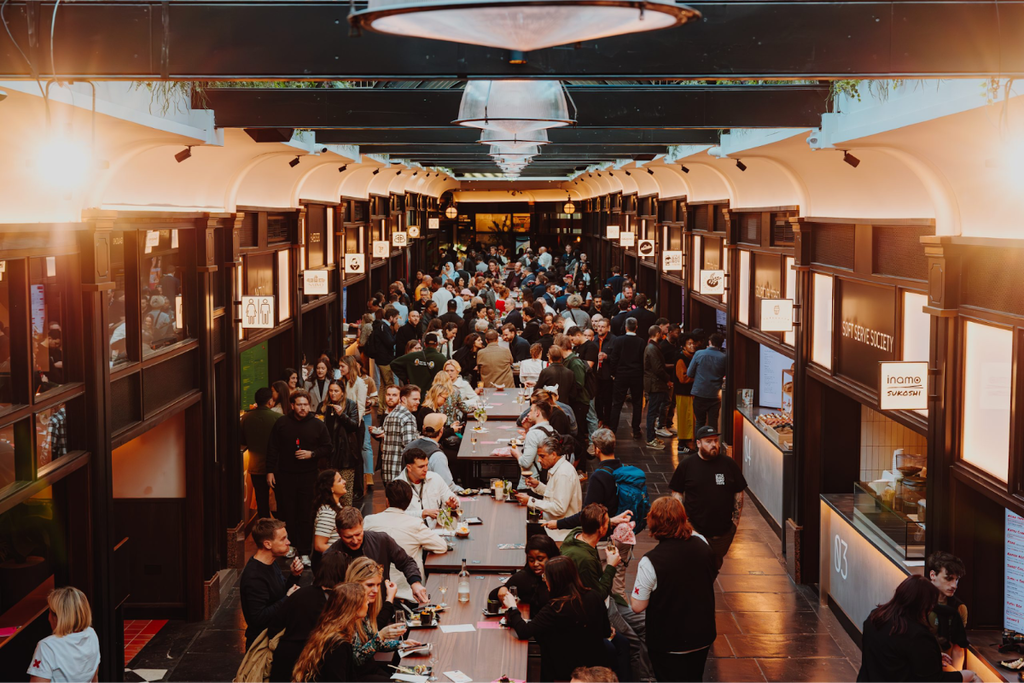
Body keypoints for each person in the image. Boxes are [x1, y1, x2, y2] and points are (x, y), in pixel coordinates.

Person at [629, 497, 717, 683]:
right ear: (683, 518)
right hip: (702, 634)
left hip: (668, 640)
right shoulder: (702, 543)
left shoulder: (650, 561)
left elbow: (637, 606)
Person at [501, 557, 614, 683]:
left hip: (564, 671)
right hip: (596, 669)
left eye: (546, 577)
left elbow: (524, 631)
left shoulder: (556, 607)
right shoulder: (594, 596)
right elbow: (606, 632)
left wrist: (512, 607)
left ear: (554, 580)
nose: (545, 580)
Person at [858, 575, 978, 683]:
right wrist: (967, 675)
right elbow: (934, 680)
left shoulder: (875, 617)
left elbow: (892, 655)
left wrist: (931, 657)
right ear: (925, 605)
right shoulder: (917, 635)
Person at [668, 425, 745, 569]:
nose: (713, 445)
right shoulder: (687, 465)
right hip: (695, 531)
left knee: (714, 566)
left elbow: (738, 491)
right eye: (708, 441)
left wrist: (735, 522)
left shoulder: (729, 464)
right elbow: (677, 492)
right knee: (696, 567)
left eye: (715, 440)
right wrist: (683, 523)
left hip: (723, 533)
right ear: (698, 443)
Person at [267, 389, 333, 555]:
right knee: (287, 512)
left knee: (306, 513)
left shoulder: (317, 424)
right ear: (292, 405)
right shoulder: (282, 423)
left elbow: (328, 447)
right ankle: (290, 545)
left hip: (309, 476)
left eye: (305, 404)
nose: (303, 408)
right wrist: (270, 471)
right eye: (299, 405)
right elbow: (272, 448)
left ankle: (304, 550)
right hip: (285, 475)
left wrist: (312, 454)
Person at [269, 553, 351, 683]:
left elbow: (274, 627)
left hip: (284, 660)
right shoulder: (337, 602)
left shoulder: (299, 594)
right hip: (311, 664)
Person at [363, 480, 448, 601]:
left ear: (387, 501)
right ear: (409, 502)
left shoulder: (369, 520)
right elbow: (441, 546)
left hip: (375, 592)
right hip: (409, 593)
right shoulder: (415, 524)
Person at [326, 507, 430, 603]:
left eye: (358, 534)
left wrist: (415, 583)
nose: (355, 540)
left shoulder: (381, 540)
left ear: (362, 525)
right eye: (348, 537)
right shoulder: (331, 556)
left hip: (381, 605)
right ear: (338, 532)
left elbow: (406, 562)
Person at [346, 557, 424, 676]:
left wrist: (402, 644)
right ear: (355, 584)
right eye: (370, 585)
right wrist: (381, 636)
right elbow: (357, 660)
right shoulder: (349, 613)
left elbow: (374, 644)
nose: (375, 590)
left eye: (378, 585)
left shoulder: (366, 608)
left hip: (371, 670)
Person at [240, 518, 304, 649]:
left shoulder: (271, 562)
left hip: (275, 637)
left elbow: (279, 593)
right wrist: (287, 599)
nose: (288, 542)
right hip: (262, 645)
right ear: (268, 544)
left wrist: (294, 576)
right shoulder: (254, 577)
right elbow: (258, 618)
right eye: (283, 539)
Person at [290, 583, 366, 683]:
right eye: (365, 601)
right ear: (355, 607)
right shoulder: (338, 644)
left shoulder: (328, 632)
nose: (368, 602)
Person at [26, 586, 100, 683]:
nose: (48, 618)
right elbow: (94, 677)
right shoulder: (91, 634)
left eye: (49, 612)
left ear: (57, 617)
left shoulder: (47, 646)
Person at [516, 436, 582, 541]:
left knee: (522, 533)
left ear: (554, 455)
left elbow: (559, 508)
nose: (539, 460)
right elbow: (555, 493)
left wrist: (530, 501)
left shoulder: (563, 474)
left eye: (542, 456)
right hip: (553, 528)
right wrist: (538, 486)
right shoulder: (559, 468)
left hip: (560, 534)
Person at [487, 534, 560, 615]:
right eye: (531, 560)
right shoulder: (523, 577)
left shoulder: (561, 575)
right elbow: (492, 597)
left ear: (551, 558)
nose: (535, 564)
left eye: (540, 559)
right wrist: (503, 589)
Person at [316, 381, 363, 499]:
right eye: (331, 390)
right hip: (328, 454)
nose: (333, 393)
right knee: (328, 492)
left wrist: (342, 414)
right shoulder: (323, 406)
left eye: (336, 391)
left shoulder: (350, 405)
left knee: (345, 492)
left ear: (342, 392)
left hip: (345, 454)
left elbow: (354, 426)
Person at [240, 387, 281, 520]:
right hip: (276, 465)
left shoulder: (246, 417)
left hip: (256, 465)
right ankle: (281, 526)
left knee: (261, 501)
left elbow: (242, 440)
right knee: (281, 499)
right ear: (270, 401)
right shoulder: (278, 418)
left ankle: (264, 526)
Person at [926, 552, 969, 671]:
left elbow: (958, 648)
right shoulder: (919, 602)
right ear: (933, 575)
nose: (954, 585)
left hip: (946, 665)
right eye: (948, 579)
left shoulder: (959, 608)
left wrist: (957, 676)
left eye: (956, 580)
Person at [396, 447, 459, 521]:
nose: (426, 469)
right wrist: (422, 513)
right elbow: (396, 515)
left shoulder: (435, 478)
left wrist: (453, 505)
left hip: (435, 526)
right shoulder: (397, 486)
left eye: (426, 465)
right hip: (411, 527)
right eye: (421, 467)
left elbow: (453, 499)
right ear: (409, 467)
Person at [609, 318, 647, 440]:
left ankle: (613, 429)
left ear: (626, 327)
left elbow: (614, 358)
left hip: (621, 374)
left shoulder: (619, 340)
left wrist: (613, 373)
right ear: (636, 327)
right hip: (636, 375)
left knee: (617, 403)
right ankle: (636, 429)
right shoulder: (641, 342)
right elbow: (643, 360)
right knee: (637, 403)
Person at [404, 413, 461, 494]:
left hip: (407, 494)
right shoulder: (437, 456)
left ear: (423, 428)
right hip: (430, 497)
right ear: (441, 431)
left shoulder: (409, 446)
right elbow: (448, 486)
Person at [687, 332, 727, 432]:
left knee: (699, 422)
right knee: (713, 423)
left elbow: (689, 373)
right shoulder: (724, 357)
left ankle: (699, 441)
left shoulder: (699, 354)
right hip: (714, 394)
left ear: (709, 342)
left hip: (699, 392)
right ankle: (712, 441)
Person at [380, 385, 419, 484]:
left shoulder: (389, 416)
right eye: (415, 399)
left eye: (418, 399)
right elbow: (410, 447)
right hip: (402, 474)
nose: (418, 402)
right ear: (404, 399)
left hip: (388, 472)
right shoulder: (408, 417)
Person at [515, 399, 558, 489]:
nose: (528, 414)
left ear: (537, 413)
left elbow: (526, 463)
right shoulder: (551, 429)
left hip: (531, 483)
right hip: (546, 480)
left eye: (531, 411)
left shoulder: (533, 433)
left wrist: (516, 454)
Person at [642, 325, 671, 450]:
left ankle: (652, 437)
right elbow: (657, 368)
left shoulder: (652, 346)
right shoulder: (652, 348)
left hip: (655, 383)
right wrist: (667, 379)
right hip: (655, 384)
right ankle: (650, 439)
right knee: (652, 412)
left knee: (653, 411)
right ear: (658, 333)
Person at [312, 469, 347, 559]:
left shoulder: (337, 506)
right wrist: (343, 555)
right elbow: (319, 545)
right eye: (339, 480)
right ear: (331, 488)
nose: (344, 482)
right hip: (333, 561)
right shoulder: (327, 513)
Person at [369, 307, 400, 409]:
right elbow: (390, 342)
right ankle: (388, 408)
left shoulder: (380, 326)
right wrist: (397, 333)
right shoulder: (384, 327)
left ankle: (381, 409)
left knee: (383, 386)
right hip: (385, 359)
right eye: (396, 318)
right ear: (391, 317)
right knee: (389, 384)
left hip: (380, 359)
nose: (396, 321)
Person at [674, 334, 697, 454]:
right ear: (683, 346)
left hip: (689, 392)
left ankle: (686, 443)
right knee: (684, 418)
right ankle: (682, 444)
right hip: (683, 393)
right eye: (689, 344)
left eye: (693, 343)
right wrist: (697, 378)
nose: (692, 346)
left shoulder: (692, 357)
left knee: (689, 418)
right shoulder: (681, 358)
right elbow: (682, 378)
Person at [593, 318, 615, 428]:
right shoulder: (594, 339)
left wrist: (607, 357)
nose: (600, 329)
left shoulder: (613, 340)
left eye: (602, 327)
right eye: (599, 326)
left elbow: (617, 357)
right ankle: (600, 418)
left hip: (607, 374)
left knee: (607, 399)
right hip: (596, 373)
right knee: (597, 398)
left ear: (608, 328)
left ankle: (607, 421)